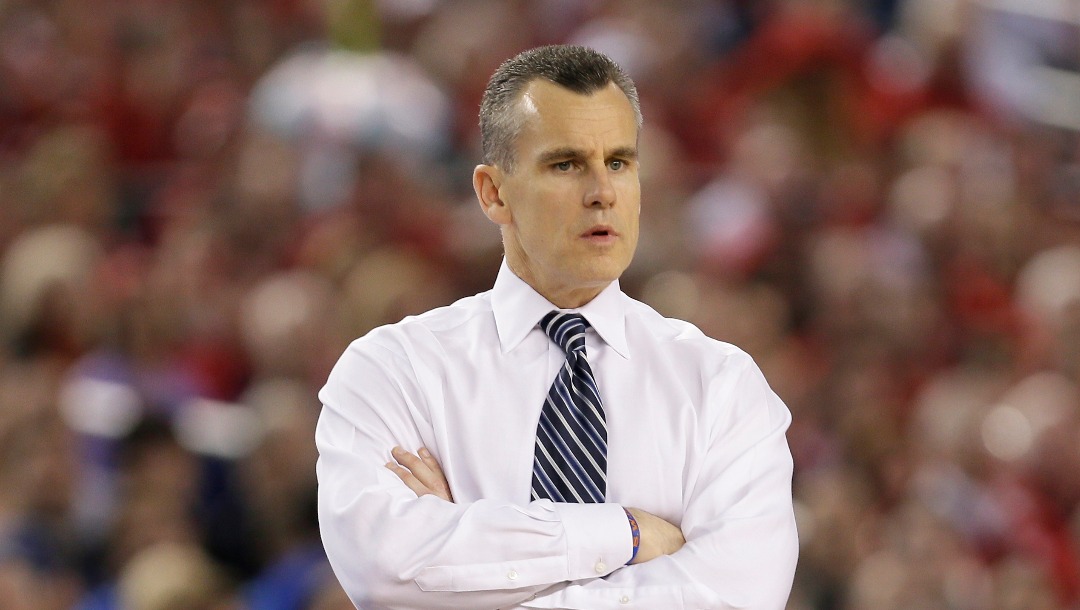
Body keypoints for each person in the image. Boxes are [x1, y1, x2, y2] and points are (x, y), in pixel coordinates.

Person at [315, 44, 798, 609]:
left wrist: (471, 556)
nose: (602, 193)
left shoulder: (720, 386)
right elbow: (384, 573)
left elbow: (736, 596)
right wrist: (627, 535)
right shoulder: (393, 371)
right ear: (493, 192)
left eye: (619, 162)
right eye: (566, 164)